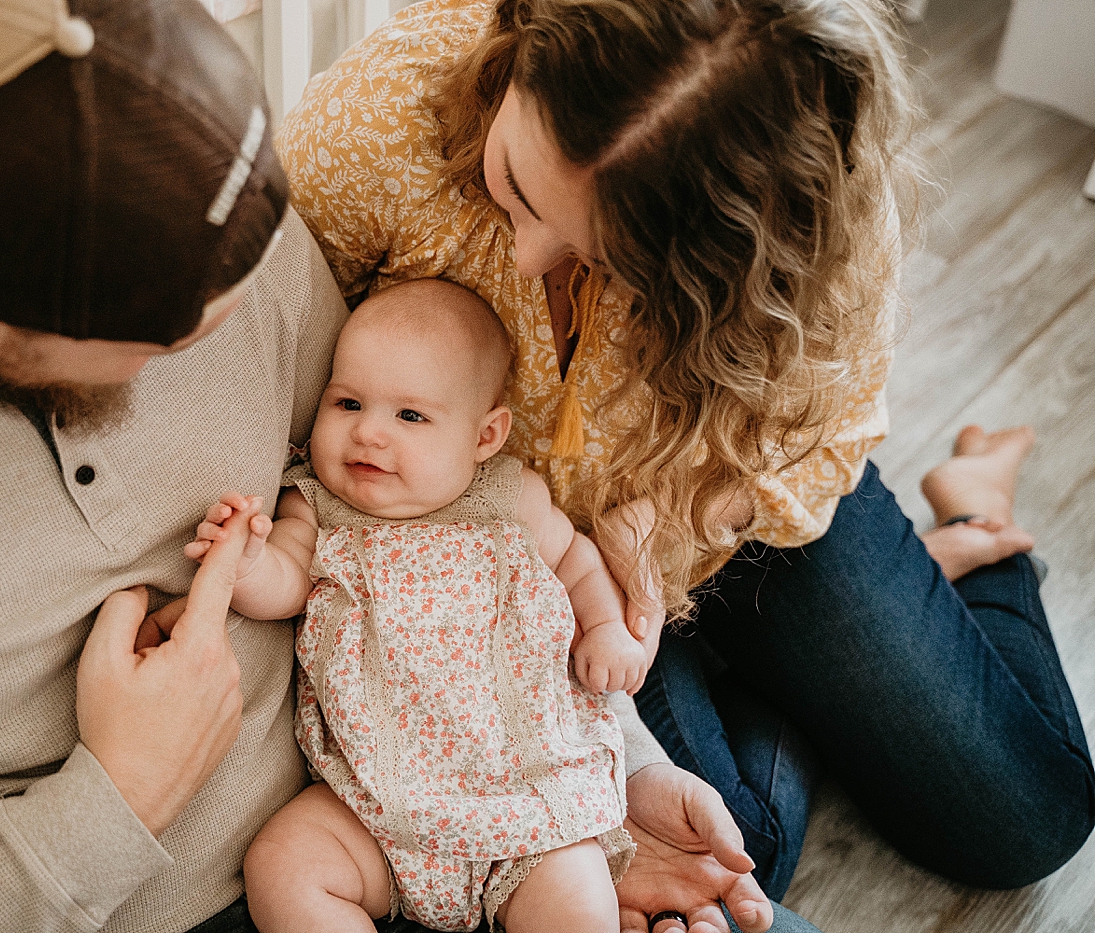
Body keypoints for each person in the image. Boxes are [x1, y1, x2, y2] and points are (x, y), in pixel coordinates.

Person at [0, 1, 790, 932]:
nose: (246, 309)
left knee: (754, 858)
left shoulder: (196, 213)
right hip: (215, 895)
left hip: (493, 795)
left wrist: (606, 773)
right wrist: (115, 799)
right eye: (168, 346)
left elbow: (442, 529)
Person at [277, 0, 1094, 906]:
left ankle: (973, 512)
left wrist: (651, 559)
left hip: (731, 519)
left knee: (1029, 821)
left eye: (608, 256)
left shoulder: (816, 220)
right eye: (513, 182)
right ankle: (783, 671)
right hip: (523, 585)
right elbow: (280, 367)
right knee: (725, 861)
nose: (526, 253)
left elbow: (819, 449)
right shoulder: (382, 116)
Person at [191, 279, 641, 933]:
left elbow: (575, 559)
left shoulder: (509, 501)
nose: (368, 431)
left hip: (526, 799)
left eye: (410, 416)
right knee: (284, 862)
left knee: (578, 907)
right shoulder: (319, 509)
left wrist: (604, 627)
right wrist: (247, 561)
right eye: (348, 402)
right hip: (373, 806)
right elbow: (285, 582)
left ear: (485, 435)